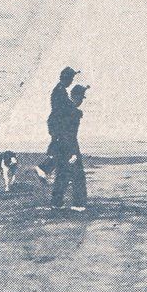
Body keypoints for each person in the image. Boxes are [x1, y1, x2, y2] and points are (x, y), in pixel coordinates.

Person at [50, 83, 89, 211]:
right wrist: (73, 152)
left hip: (61, 145)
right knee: (78, 176)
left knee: (62, 174)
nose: (82, 101)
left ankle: (56, 203)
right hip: (70, 146)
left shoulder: (63, 109)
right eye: (82, 97)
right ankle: (78, 204)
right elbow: (69, 133)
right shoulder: (73, 112)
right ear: (76, 96)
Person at [37, 67, 79, 182]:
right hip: (58, 124)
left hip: (57, 124)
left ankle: (47, 170)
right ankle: (44, 169)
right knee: (62, 149)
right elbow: (63, 108)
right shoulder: (59, 91)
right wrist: (75, 111)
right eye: (71, 78)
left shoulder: (60, 90)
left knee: (61, 150)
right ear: (65, 78)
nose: (71, 81)